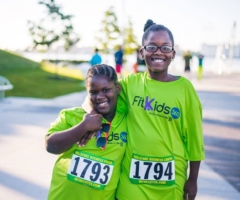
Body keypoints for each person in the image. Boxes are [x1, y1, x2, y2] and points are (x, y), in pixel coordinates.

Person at [82, 19, 205, 200]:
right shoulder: (130, 84)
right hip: (132, 183)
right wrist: (91, 119)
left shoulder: (185, 89)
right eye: (152, 47)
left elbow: (194, 138)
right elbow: (98, 97)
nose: (158, 52)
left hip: (171, 181)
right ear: (141, 52)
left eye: (165, 48)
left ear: (173, 53)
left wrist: (192, 179)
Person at [45, 64, 127, 200]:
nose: (100, 96)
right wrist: (84, 126)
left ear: (117, 88)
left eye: (106, 90)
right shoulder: (72, 116)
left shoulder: (126, 119)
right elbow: (50, 146)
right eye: (93, 92)